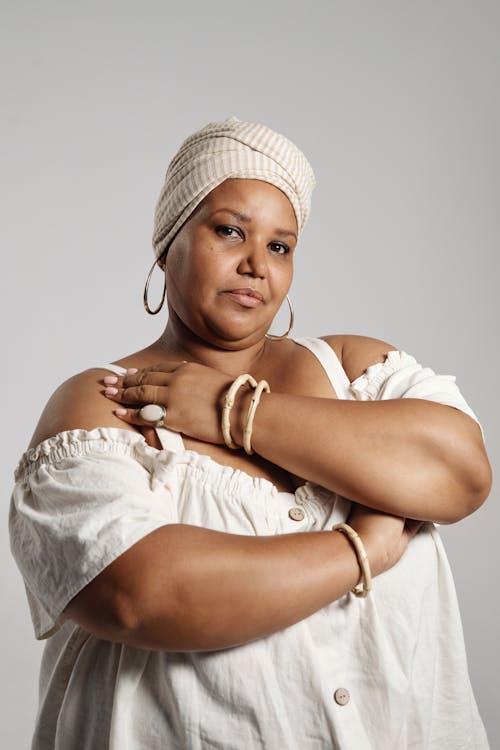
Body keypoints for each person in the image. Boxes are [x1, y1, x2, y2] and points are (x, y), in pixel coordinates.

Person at [10, 116, 492, 750]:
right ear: (167, 241)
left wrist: (234, 412)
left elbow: (461, 473)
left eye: (280, 246)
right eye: (230, 231)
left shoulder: (355, 372)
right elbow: (141, 593)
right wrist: (361, 551)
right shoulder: (104, 404)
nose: (255, 265)